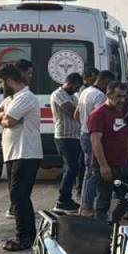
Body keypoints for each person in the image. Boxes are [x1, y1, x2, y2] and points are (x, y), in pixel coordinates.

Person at [0, 64, 42, 251]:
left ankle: (23, 237)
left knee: (19, 197)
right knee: (18, 197)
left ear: (9, 81)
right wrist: (5, 117)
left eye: (1, 82)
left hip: (25, 153)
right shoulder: (12, 99)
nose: (0, 86)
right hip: (13, 153)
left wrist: (5, 118)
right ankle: (29, 235)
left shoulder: (26, 97)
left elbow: (9, 121)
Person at [86, 82, 128, 222]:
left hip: (122, 165)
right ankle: (100, 233)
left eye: (124, 96)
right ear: (108, 95)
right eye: (118, 96)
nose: (122, 100)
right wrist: (104, 166)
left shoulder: (120, 111)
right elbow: (95, 141)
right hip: (106, 166)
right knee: (103, 203)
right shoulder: (98, 114)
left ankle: (113, 224)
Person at [75, 69, 112, 217]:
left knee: (88, 171)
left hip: (84, 134)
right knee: (93, 172)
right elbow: (100, 119)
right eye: (109, 84)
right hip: (93, 136)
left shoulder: (85, 91)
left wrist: (85, 125)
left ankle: (85, 204)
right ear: (104, 81)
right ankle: (87, 206)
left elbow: (76, 114)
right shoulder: (99, 96)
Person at [50, 72, 84, 213]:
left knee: (73, 168)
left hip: (75, 136)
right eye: (76, 87)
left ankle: (67, 198)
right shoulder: (58, 94)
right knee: (71, 168)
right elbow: (72, 112)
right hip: (64, 136)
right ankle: (62, 200)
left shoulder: (73, 96)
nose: (77, 90)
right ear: (70, 83)